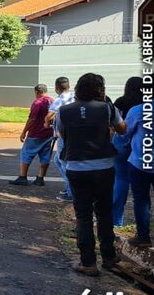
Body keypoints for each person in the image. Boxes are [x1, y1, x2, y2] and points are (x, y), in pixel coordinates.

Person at [57, 73, 126, 275]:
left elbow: (63, 134)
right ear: (101, 90)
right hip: (104, 167)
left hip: (77, 168)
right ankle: (109, 257)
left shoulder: (63, 111)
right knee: (104, 213)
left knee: (83, 216)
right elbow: (122, 129)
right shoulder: (108, 108)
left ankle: (88, 263)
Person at [9, 84, 55, 186]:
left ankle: (23, 177)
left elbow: (32, 119)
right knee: (45, 156)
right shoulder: (53, 101)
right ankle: (40, 178)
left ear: (37, 92)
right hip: (48, 133)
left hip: (35, 133)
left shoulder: (37, 103)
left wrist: (24, 131)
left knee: (26, 153)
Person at [112, 77, 143, 227]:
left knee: (120, 179)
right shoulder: (145, 105)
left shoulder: (120, 102)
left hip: (122, 142)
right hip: (143, 145)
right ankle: (143, 225)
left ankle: (116, 219)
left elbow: (115, 124)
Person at [125, 99, 153, 248]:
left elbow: (125, 131)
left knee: (141, 200)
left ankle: (143, 236)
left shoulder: (138, 110)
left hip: (140, 162)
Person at [43, 77, 75, 201]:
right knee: (58, 160)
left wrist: (46, 123)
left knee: (64, 163)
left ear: (57, 88)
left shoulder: (60, 99)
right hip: (72, 134)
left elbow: (49, 114)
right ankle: (69, 188)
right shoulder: (73, 97)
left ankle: (71, 193)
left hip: (62, 135)